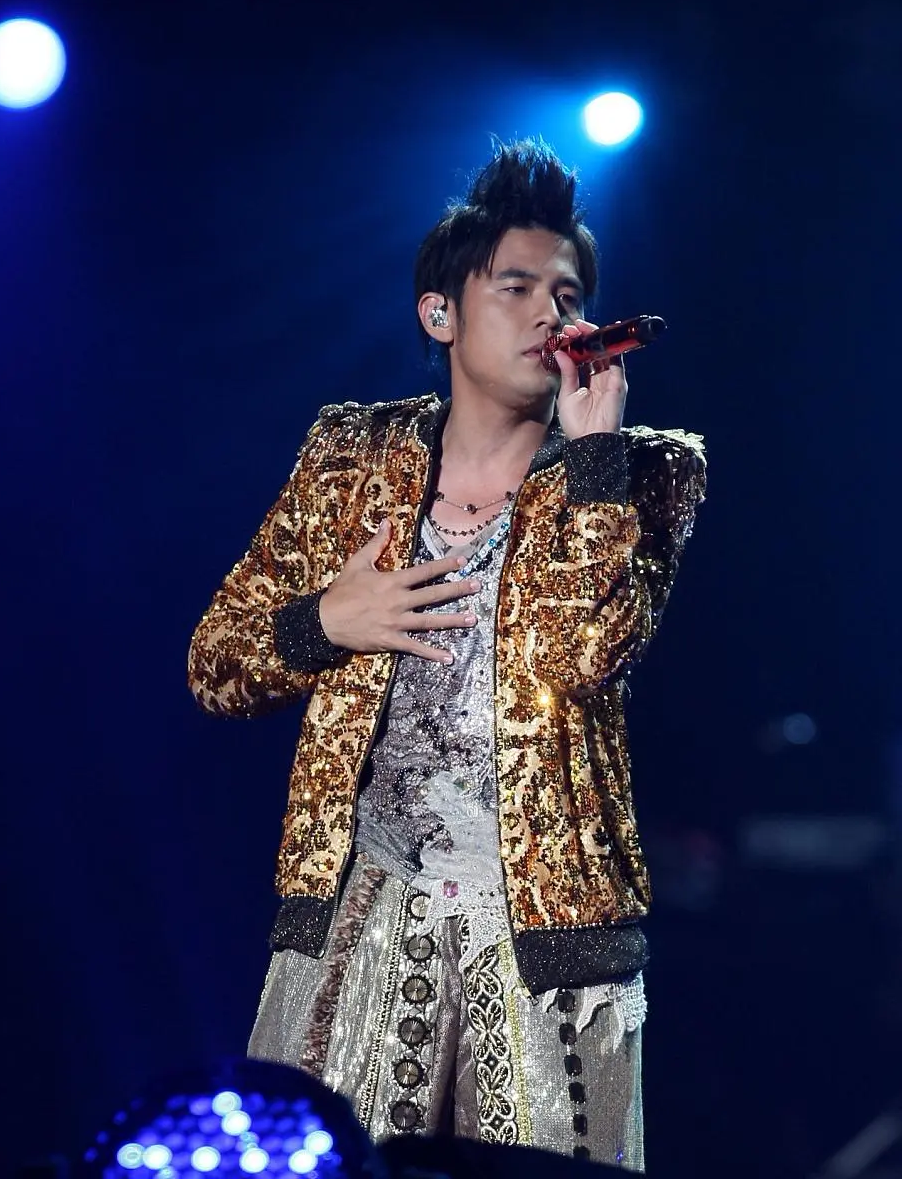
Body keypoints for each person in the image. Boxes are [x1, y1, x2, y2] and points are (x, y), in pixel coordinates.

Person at [187, 139, 706, 1170]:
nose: (550, 312)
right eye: (516, 287)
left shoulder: (646, 471)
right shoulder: (351, 458)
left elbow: (583, 654)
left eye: (568, 294)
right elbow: (214, 664)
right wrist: (324, 622)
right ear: (441, 314)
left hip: (545, 939)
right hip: (361, 909)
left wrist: (594, 453)